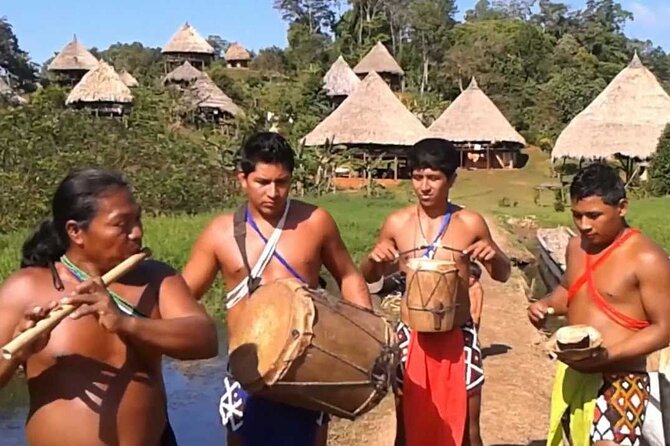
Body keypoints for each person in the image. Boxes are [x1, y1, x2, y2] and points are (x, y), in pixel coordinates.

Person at [0, 168, 218, 446]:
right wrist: (16, 355)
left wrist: (127, 323)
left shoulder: (156, 278)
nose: (137, 233)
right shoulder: (27, 288)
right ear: (76, 232)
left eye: (137, 219)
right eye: (121, 225)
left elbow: (206, 340)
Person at [182, 132, 372, 446]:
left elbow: (349, 277)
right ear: (242, 178)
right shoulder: (219, 233)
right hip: (246, 372)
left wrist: (364, 338)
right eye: (263, 182)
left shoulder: (316, 222)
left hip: (308, 369)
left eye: (282, 182)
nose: (273, 192)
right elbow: (183, 297)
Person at [360, 138, 511, 446]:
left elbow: (503, 274)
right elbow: (371, 280)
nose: (424, 186)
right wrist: (373, 261)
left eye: (434, 178)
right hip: (411, 338)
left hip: (458, 338)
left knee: (468, 431)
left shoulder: (469, 222)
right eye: (417, 177)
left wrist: (493, 255)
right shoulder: (397, 223)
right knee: (406, 430)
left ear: (451, 179)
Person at [528, 164, 670, 446]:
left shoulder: (647, 258)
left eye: (594, 216)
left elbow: (665, 329)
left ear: (622, 207)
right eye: (577, 215)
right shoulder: (576, 247)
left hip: (623, 379)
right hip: (574, 376)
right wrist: (546, 305)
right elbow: (570, 290)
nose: (584, 225)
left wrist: (608, 355)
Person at [468, 262, 484, 330]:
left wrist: (476, 321)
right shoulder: (465, 286)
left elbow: (478, 308)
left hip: (473, 319)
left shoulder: (477, 289)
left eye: (472, 277)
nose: (471, 279)